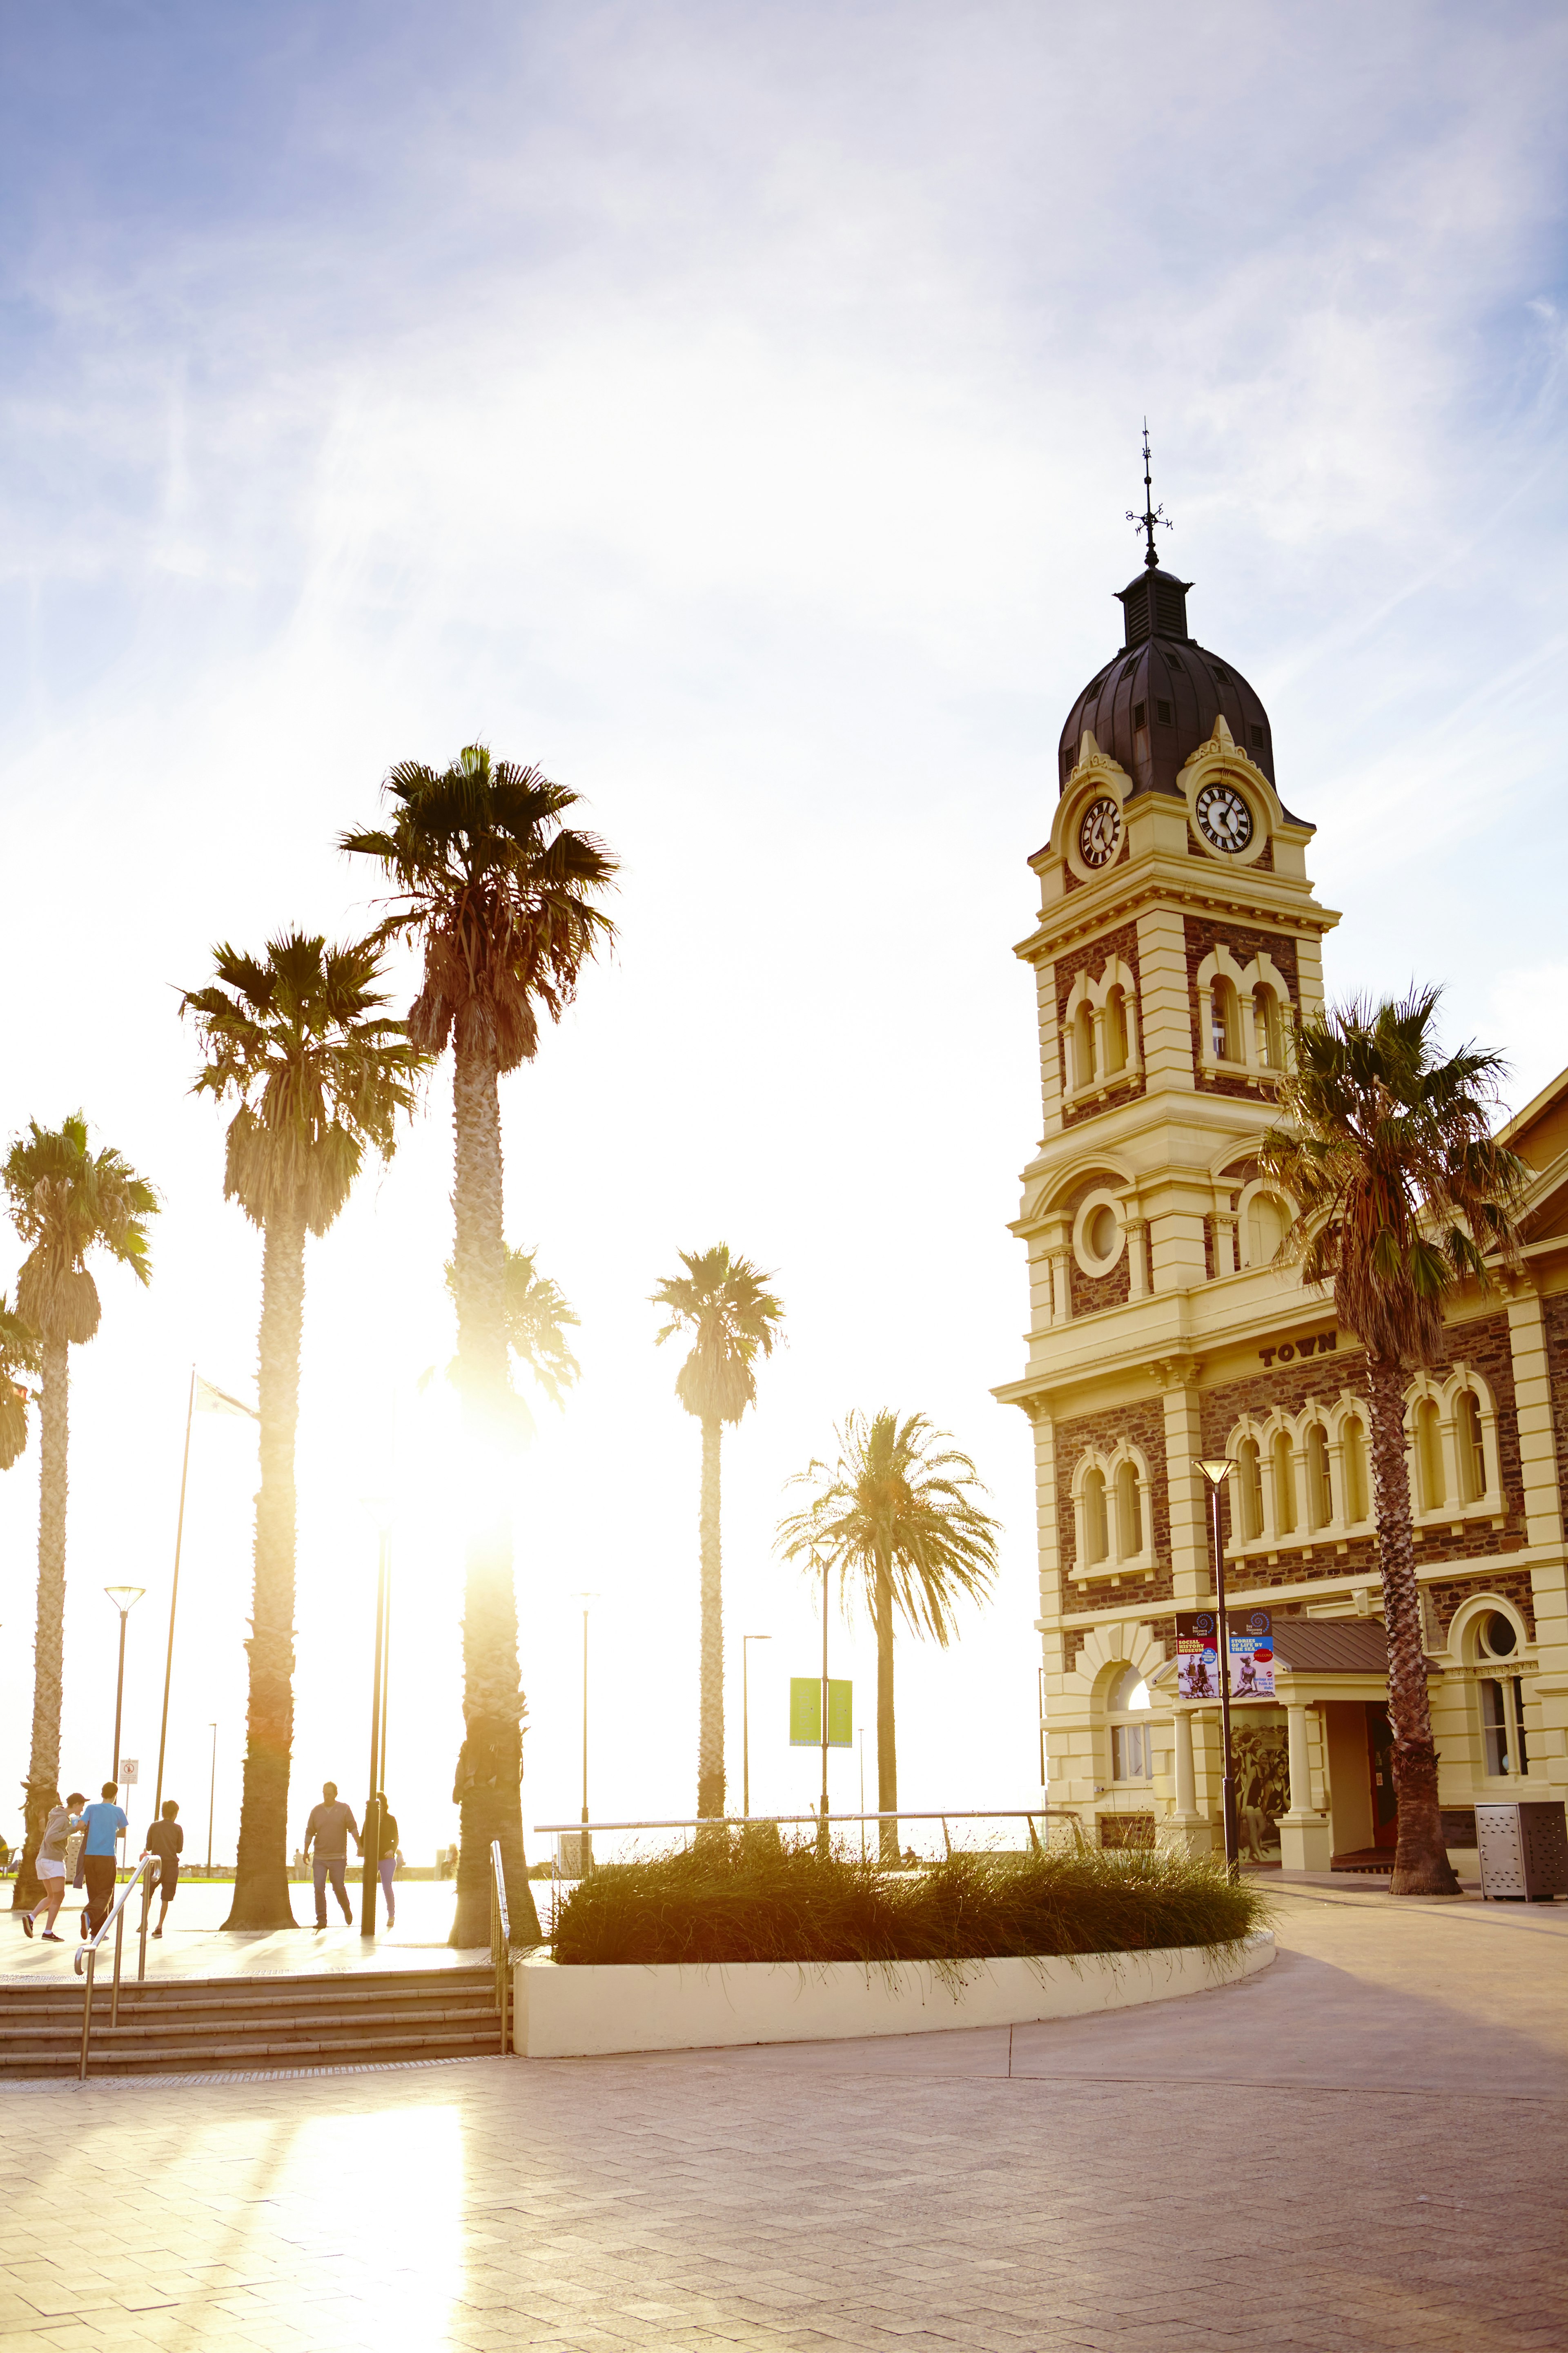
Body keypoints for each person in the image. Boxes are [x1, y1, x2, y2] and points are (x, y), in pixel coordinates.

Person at [22, 1791, 84, 1942]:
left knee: (51, 1896)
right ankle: (48, 1931)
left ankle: (31, 1918)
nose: (82, 1809)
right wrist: (72, 1830)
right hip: (53, 1860)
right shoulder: (63, 1819)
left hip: (43, 1860)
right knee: (59, 1896)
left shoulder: (58, 1815)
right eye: (82, 1806)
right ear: (75, 1804)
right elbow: (50, 1837)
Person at [302, 1781, 361, 1927]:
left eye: (329, 1794)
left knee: (338, 1887)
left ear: (336, 1794)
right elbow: (310, 1831)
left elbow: (353, 1828)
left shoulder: (344, 1809)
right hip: (320, 1858)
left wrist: (360, 1846)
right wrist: (305, 1851)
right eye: (324, 1794)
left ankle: (346, 1909)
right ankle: (321, 1919)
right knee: (318, 1887)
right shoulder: (316, 1811)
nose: (327, 1797)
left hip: (338, 1858)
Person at [78, 1782, 129, 1938]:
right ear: (115, 1795)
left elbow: (80, 1825)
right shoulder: (118, 1811)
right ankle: (88, 1915)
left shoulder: (91, 1809)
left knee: (94, 1894)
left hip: (90, 1856)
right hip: (106, 1857)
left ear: (102, 1794)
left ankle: (96, 1932)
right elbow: (122, 1833)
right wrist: (110, 1830)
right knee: (106, 1893)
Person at [140, 1800, 184, 1938]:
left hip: (155, 1865)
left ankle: (144, 1922)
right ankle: (159, 1926)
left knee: (148, 1893)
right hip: (171, 1866)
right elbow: (179, 1849)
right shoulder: (178, 1829)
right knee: (166, 1898)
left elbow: (148, 1846)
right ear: (175, 1814)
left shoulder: (154, 1826)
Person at [374, 1793, 399, 1927]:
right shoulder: (370, 1820)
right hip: (373, 1859)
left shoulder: (391, 1820)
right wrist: (360, 1848)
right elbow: (364, 1837)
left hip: (387, 1859)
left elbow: (396, 1838)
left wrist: (392, 1850)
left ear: (384, 1805)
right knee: (368, 1886)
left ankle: (391, 1915)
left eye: (379, 1804)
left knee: (386, 1886)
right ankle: (367, 1917)